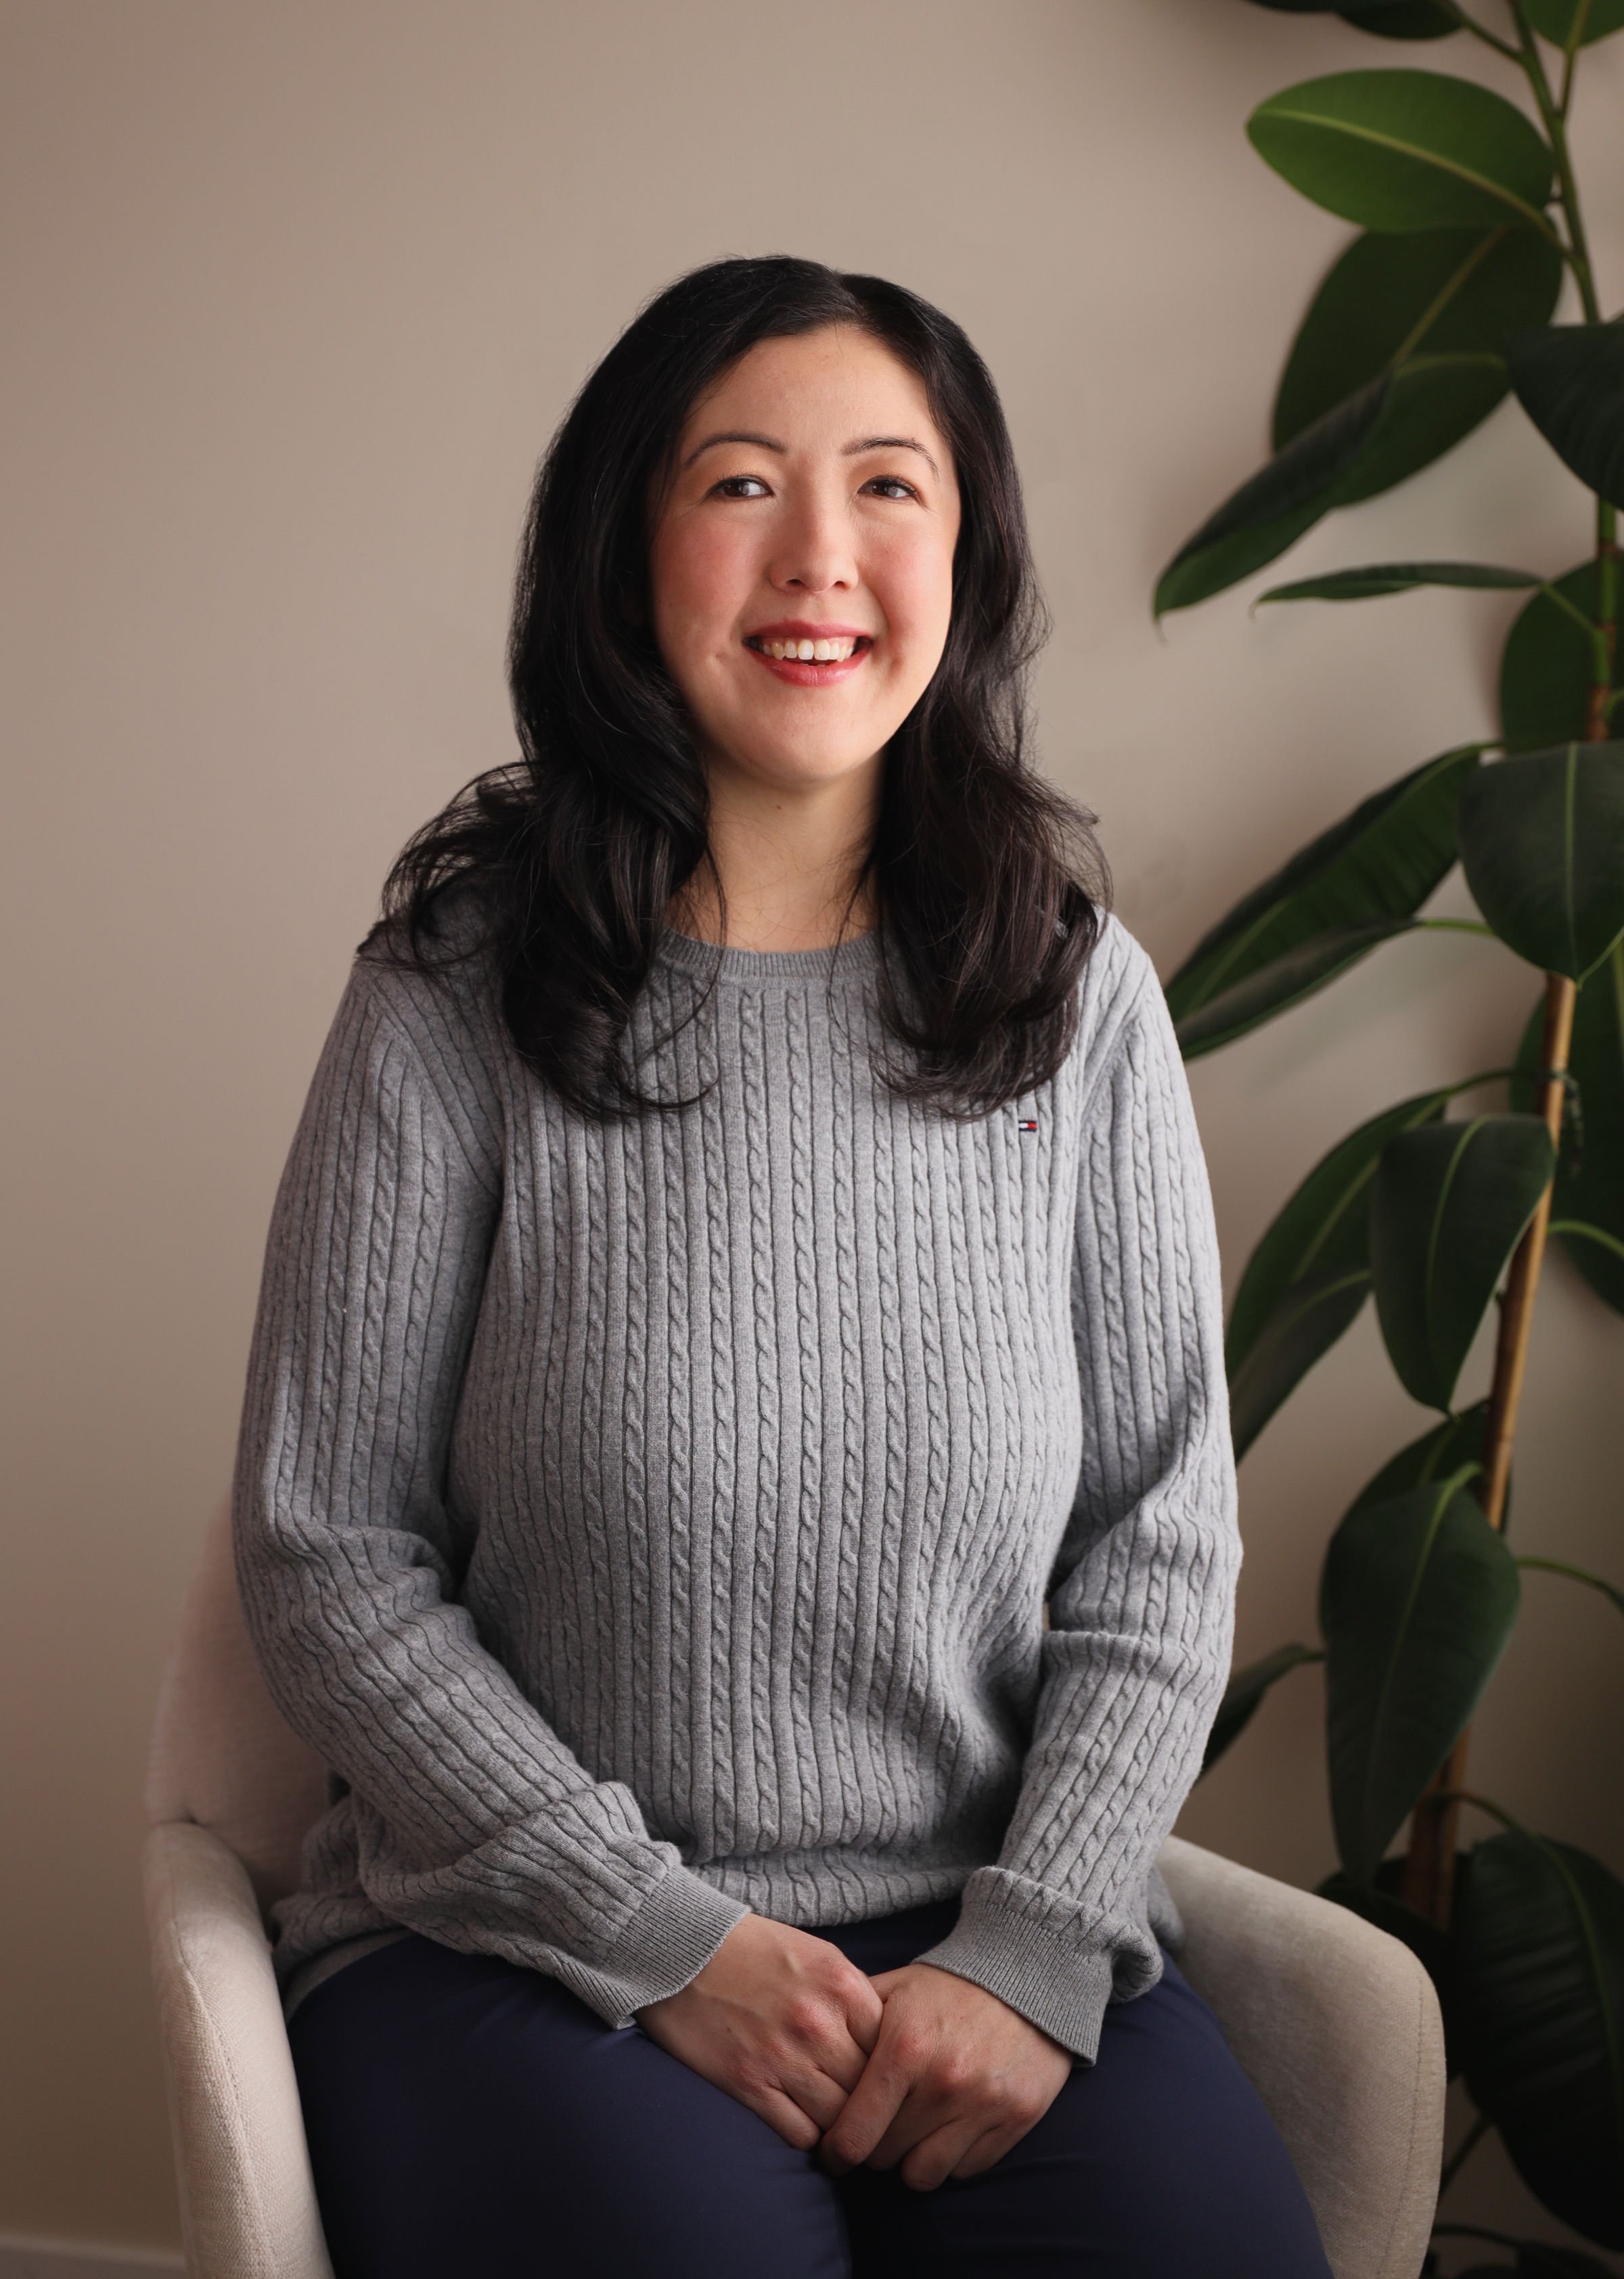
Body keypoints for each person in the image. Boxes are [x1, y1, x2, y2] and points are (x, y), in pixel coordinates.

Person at [232, 254, 1333, 2278]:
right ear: (623, 551)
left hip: (982, 1926)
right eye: (740, 483)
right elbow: (329, 1552)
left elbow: (1160, 1545)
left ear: (968, 549)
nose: (820, 554)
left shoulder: (1078, 1003)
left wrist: (1026, 1952)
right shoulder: (451, 999)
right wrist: (660, 1941)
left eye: (891, 487)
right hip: (522, 1941)